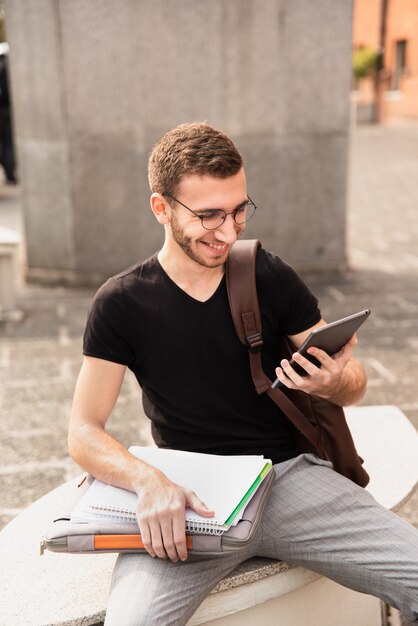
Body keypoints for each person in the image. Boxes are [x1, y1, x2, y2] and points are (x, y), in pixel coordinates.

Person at [68, 122, 418, 625]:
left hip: (291, 481)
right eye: (209, 215)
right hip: (191, 498)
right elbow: (83, 432)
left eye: (238, 211)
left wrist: (332, 381)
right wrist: (149, 482)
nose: (228, 231)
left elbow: (354, 381)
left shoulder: (267, 274)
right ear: (161, 208)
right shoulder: (121, 302)